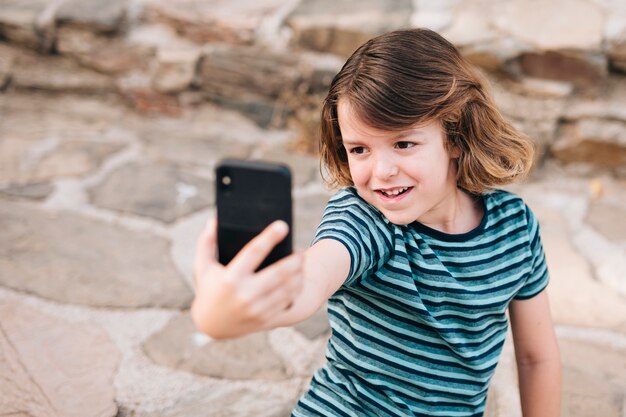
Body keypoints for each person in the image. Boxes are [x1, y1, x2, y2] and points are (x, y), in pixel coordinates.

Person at [191, 28, 561, 417]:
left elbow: (537, 358)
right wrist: (217, 316)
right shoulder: (364, 219)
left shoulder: (515, 230)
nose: (381, 171)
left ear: (455, 137)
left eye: (403, 143)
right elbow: (310, 283)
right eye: (360, 149)